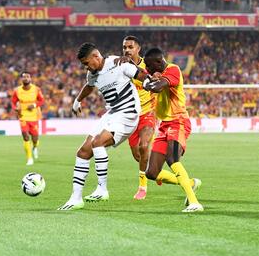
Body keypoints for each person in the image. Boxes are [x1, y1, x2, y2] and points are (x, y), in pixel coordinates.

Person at [57, 42, 151, 211]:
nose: (86, 67)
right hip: (112, 113)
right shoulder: (92, 73)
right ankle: (76, 198)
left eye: (87, 63)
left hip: (128, 113)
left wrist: (148, 83)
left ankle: (102, 188)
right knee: (83, 152)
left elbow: (139, 74)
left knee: (98, 142)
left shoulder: (118, 63)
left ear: (96, 56)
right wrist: (78, 100)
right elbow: (89, 86)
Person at [142, 47, 203, 213]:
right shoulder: (155, 73)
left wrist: (147, 82)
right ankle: (190, 183)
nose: (147, 69)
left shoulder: (173, 70)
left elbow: (159, 87)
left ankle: (194, 202)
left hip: (179, 122)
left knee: (172, 158)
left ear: (158, 62)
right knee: (152, 173)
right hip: (164, 125)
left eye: (149, 65)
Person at [122, 35, 156, 200]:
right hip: (130, 116)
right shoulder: (120, 66)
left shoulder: (148, 66)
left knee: (144, 147)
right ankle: (159, 174)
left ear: (138, 49)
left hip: (148, 112)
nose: (127, 50)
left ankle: (142, 187)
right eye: (125, 47)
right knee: (139, 156)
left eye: (130, 47)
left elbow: (157, 83)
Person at [11, 72, 45, 166]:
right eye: (24, 77)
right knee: (25, 136)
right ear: (21, 79)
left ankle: (34, 147)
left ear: (30, 78)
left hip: (34, 117)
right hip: (23, 116)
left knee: (35, 138)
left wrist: (34, 105)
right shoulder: (17, 90)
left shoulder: (36, 89)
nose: (25, 78)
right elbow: (13, 102)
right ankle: (29, 158)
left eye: (27, 77)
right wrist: (15, 108)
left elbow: (42, 100)